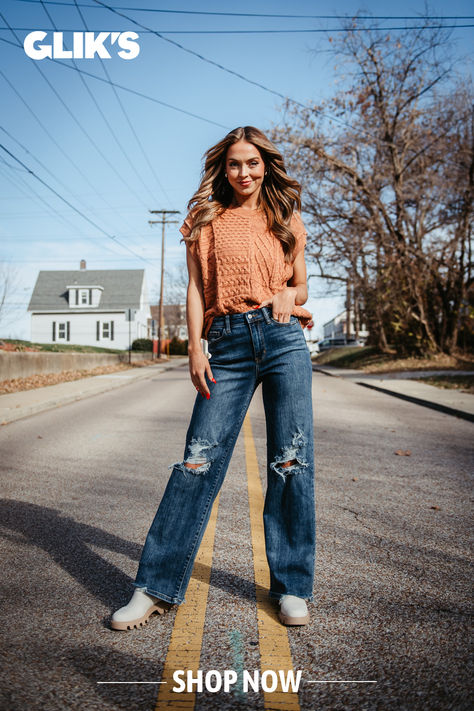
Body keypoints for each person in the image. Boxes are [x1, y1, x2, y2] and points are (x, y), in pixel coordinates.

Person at [111, 126, 315, 631]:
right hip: (225, 343)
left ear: (266, 165)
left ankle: (291, 586)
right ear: (221, 169)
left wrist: (292, 296)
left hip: (283, 338)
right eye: (233, 164)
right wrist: (196, 347)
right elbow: (198, 290)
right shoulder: (204, 220)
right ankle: (154, 587)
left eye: (252, 163)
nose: (243, 172)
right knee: (196, 463)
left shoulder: (285, 216)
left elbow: (301, 285)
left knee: (290, 460)